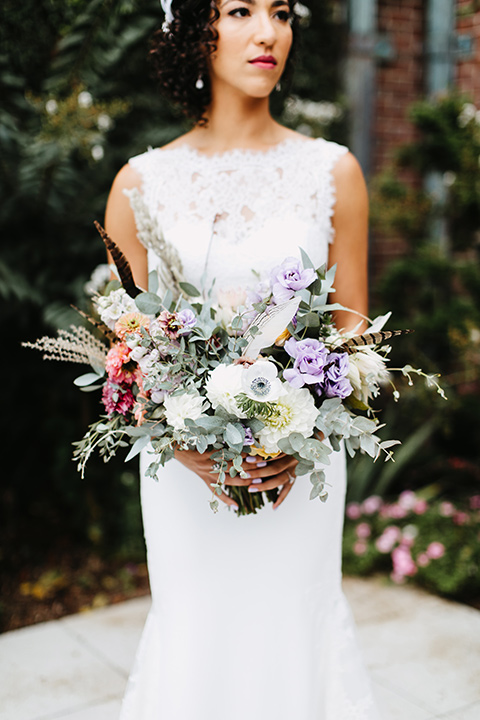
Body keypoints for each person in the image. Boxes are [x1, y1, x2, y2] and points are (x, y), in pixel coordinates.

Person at [105, 0, 380, 717]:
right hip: (182, 480)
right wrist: (181, 442)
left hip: (300, 472)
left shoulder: (333, 173)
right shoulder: (138, 184)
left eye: (282, 12)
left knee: (292, 632)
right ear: (195, 28)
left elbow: (355, 343)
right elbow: (124, 357)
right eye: (240, 10)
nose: (268, 32)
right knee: (196, 634)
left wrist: (303, 433)